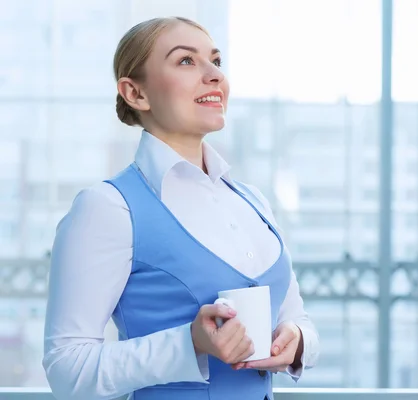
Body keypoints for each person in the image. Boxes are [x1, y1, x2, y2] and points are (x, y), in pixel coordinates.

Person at [42, 16, 319, 400]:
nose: (215, 76)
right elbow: (66, 370)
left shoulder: (254, 203)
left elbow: (295, 316)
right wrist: (190, 343)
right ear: (135, 93)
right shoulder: (107, 209)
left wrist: (298, 340)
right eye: (186, 61)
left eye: (216, 62)